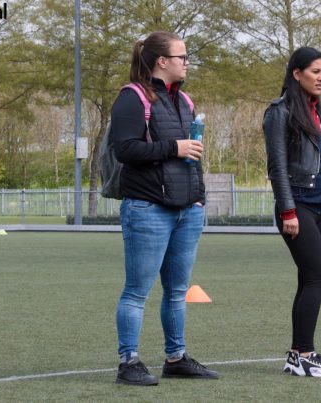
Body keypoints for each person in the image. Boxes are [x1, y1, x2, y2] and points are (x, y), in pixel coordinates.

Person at [109, 31, 218, 386]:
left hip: (187, 210)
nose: (186, 62)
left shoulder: (184, 101)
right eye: (182, 57)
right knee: (136, 291)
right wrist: (174, 148)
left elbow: (194, 155)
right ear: (162, 61)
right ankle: (129, 362)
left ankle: (176, 358)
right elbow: (124, 149)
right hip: (147, 209)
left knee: (176, 291)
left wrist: (199, 197)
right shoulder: (132, 97)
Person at [262, 47, 321, 378]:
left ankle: (297, 356)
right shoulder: (278, 113)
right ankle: (306, 355)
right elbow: (277, 167)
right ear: (297, 74)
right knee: (317, 276)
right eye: (315, 71)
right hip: (298, 205)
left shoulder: (316, 110)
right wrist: (287, 211)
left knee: (309, 278)